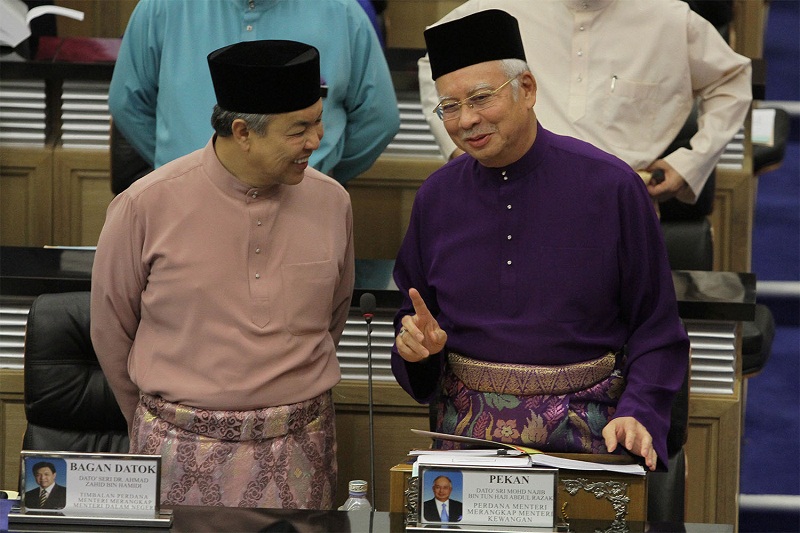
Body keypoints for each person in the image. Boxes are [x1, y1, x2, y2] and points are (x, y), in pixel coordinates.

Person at [392, 10, 690, 472]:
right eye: (449, 107)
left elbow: (656, 329)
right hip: (465, 439)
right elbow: (414, 326)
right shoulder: (437, 197)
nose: (466, 120)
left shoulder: (610, 187)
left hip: (590, 435)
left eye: (480, 99)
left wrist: (639, 412)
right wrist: (418, 351)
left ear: (526, 89)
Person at [91, 40, 355, 509]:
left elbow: (333, 316)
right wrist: (164, 423)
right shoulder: (145, 205)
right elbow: (110, 330)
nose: (317, 140)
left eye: (319, 120)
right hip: (179, 448)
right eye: (299, 129)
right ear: (243, 131)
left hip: (298, 449)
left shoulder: (332, 202)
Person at [417, 0, 751, 208]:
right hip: (505, 196)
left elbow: (732, 79)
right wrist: (460, 151)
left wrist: (690, 164)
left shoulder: (669, 17)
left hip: (617, 207)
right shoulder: (496, 9)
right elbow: (434, 62)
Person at [109, 0, 400, 188]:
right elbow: (127, 103)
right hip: (182, 207)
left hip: (301, 211)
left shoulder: (343, 12)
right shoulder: (161, 7)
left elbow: (379, 119)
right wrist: (185, 172)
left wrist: (315, 173)